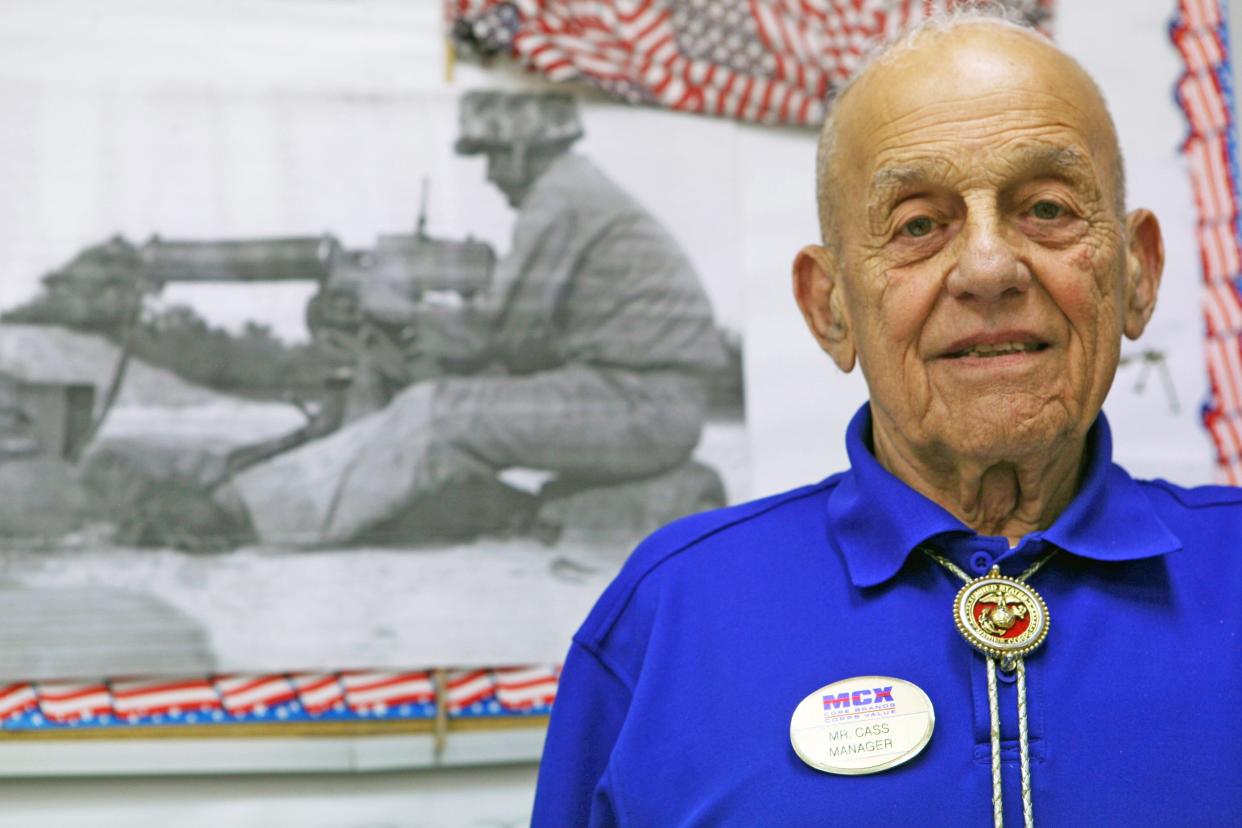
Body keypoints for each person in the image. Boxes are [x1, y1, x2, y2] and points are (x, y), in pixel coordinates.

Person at [532, 9, 1242, 827]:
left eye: (1046, 209)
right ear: (829, 305)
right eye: (916, 224)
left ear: (1138, 271)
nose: (987, 267)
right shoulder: (672, 614)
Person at [191, 91, 729, 546]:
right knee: (452, 402)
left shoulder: (560, 199)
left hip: (639, 404)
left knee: (438, 414)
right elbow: (521, 340)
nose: (492, 177)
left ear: (523, 148)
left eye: (494, 157)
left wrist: (403, 313)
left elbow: (497, 335)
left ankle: (246, 516)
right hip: (644, 399)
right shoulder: (579, 189)